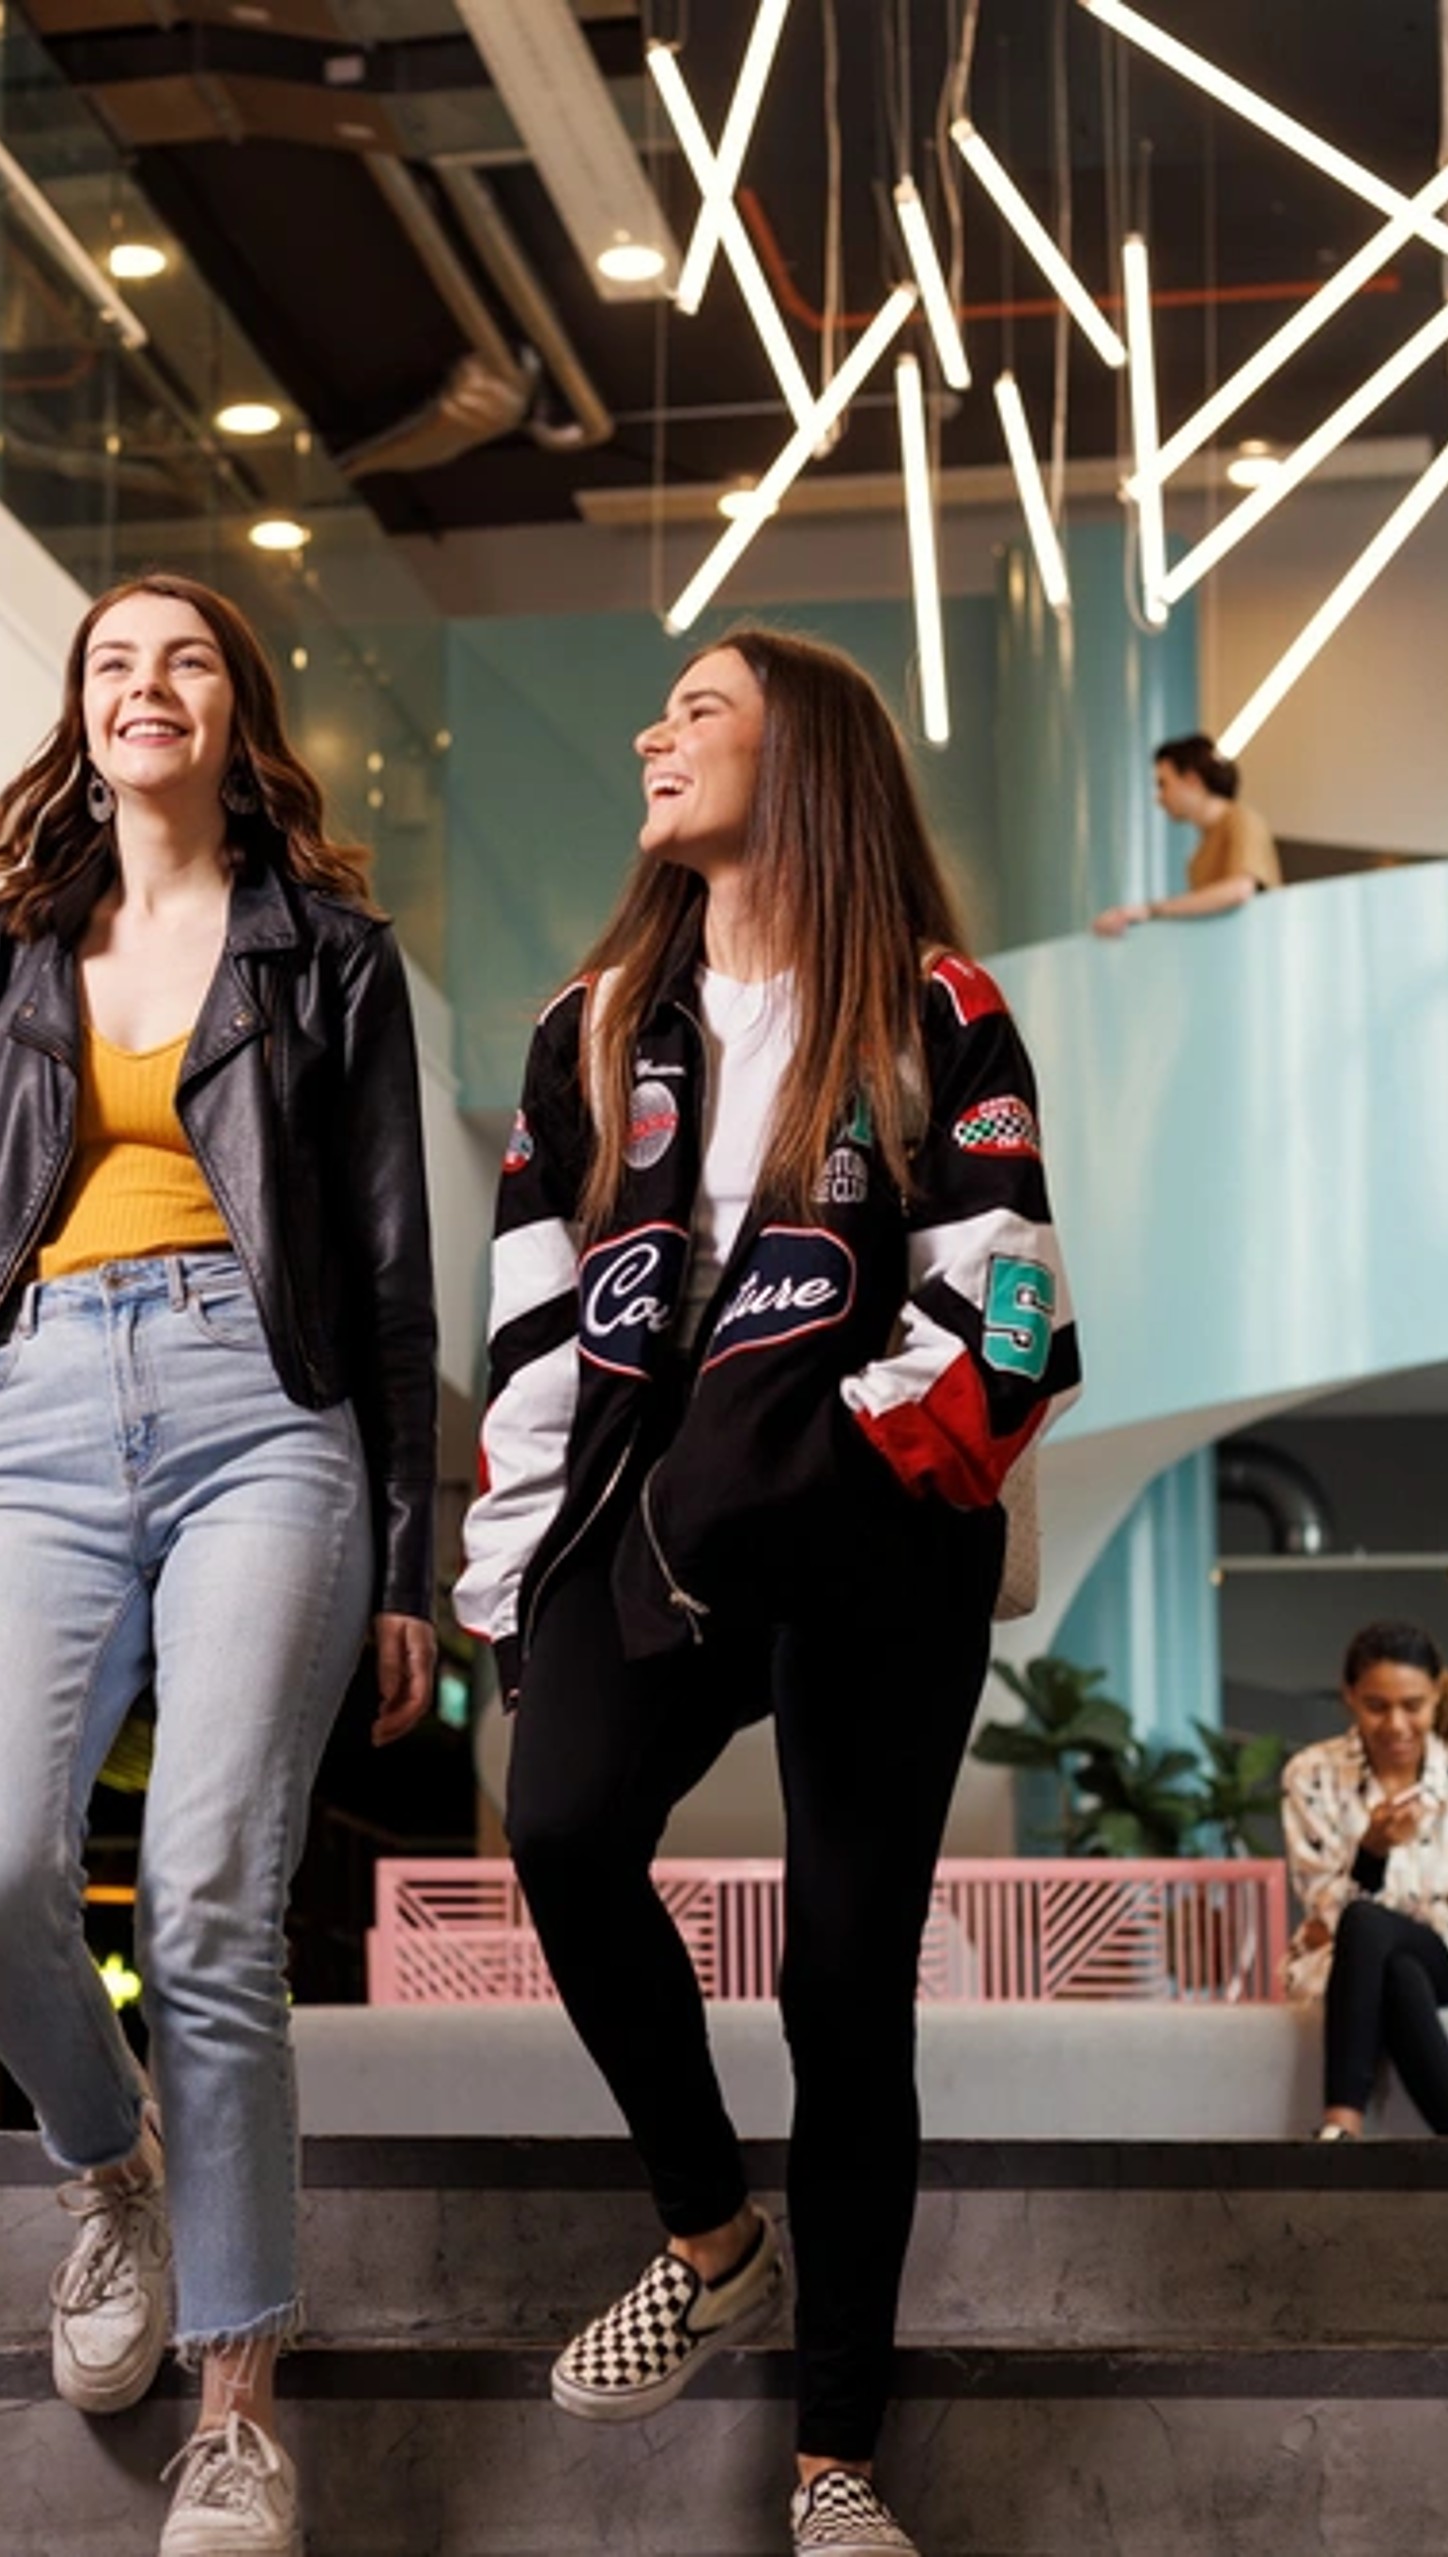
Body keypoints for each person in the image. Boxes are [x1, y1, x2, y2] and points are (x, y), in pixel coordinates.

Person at [457, 627, 1079, 2557]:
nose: (654, 732)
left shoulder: (933, 1006)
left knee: (840, 1980)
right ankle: (714, 2236)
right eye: (656, 709)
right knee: (558, 1825)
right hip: (653, 1520)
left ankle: (835, 2470)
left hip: (875, 1521)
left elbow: (1010, 1302)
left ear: (800, 758)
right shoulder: (591, 1025)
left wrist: (817, 1459)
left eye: (700, 709)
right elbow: (536, 1318)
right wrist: (516, 1557)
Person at [0, 571, 440, 2557]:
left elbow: (386, 1271)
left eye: (184, 658)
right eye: (114, 661)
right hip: (33, 1412)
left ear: (235, 710)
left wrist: (406, 1559)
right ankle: (109, 2161)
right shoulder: (14, 950)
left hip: (263, 1410)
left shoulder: (329, 954)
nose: (146, 684)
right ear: (81, 717)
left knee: (207, 1889)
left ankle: (237, 2409)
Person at [1280, 1620, 1448, 2140]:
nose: (1396, 1724)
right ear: (1349, 1698)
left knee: (1368, 1923)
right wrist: (1372, 1853)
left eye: (1413, 1705)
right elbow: (1323, 1914)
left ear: (1437, 1695)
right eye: (1376, 1706)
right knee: (1398, 1973)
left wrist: (1371, 1899)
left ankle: (1341, 2125)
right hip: (1347, 1972)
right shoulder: (1312, 1775)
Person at [1092, 733, 1280, 936]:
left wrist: (1150, 910)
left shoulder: (1243, 820)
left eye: (1164, 784)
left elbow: (1240, 890)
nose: (1159, 798)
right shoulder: (1199, 856)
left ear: (1192, 780)